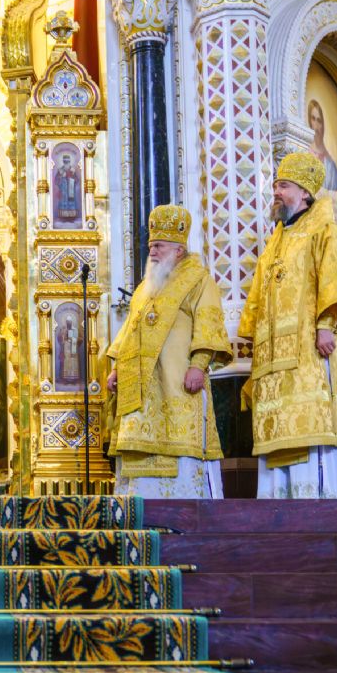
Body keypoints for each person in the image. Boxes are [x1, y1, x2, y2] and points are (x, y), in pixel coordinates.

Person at [238, 151, 337, 499]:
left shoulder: (326, 230)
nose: (276, 192)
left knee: (312, 422)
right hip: (274, 361)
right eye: (276, 185)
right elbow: (258, 298)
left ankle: (322, 500)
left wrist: (326, 324)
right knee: (280, 428)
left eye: (284, 186)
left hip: (310, 348)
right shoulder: (275, 241)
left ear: (305, 192)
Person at [103, 205, 230, 499]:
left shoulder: (199, 280)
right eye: (151, 246)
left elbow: (209, 323)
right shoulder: (145, 288)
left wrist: (199, 364)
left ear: (179, 250)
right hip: (140, 390)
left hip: (177, 382)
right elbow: (130, 330)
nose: (152, 252)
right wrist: (116, 368)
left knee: (179, 446)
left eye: (159, 246)